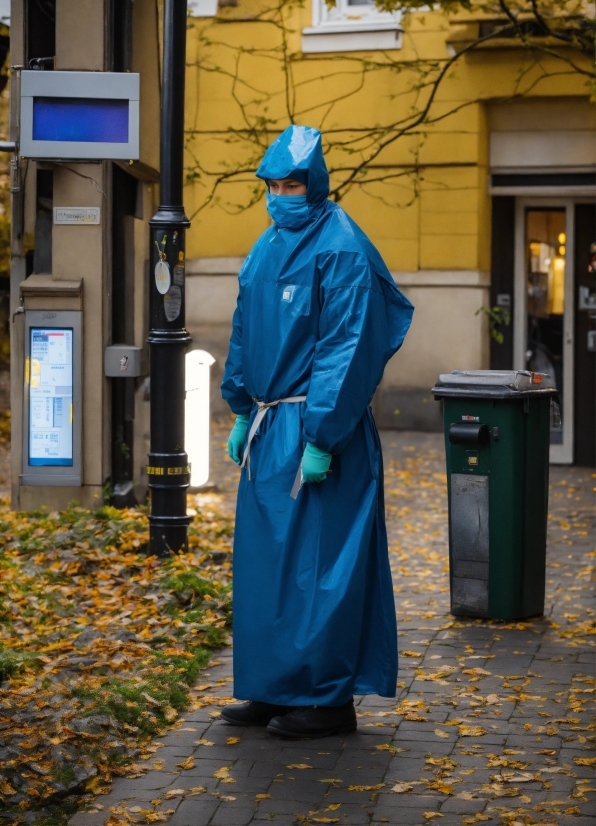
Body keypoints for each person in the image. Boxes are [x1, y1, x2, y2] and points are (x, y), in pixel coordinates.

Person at [220, 125, 414, 739]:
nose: (281, 195)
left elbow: (347, 349)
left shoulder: (343, 248)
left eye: (292, 184)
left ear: (317, 184)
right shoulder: (265, 247)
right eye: (272, 185)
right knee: (266, 567)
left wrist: (323, 436)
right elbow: (243, 329)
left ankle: (326, 701)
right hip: (272, 426)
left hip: (317, 432)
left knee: (321, 571)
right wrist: (242, 407)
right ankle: (271, 686)